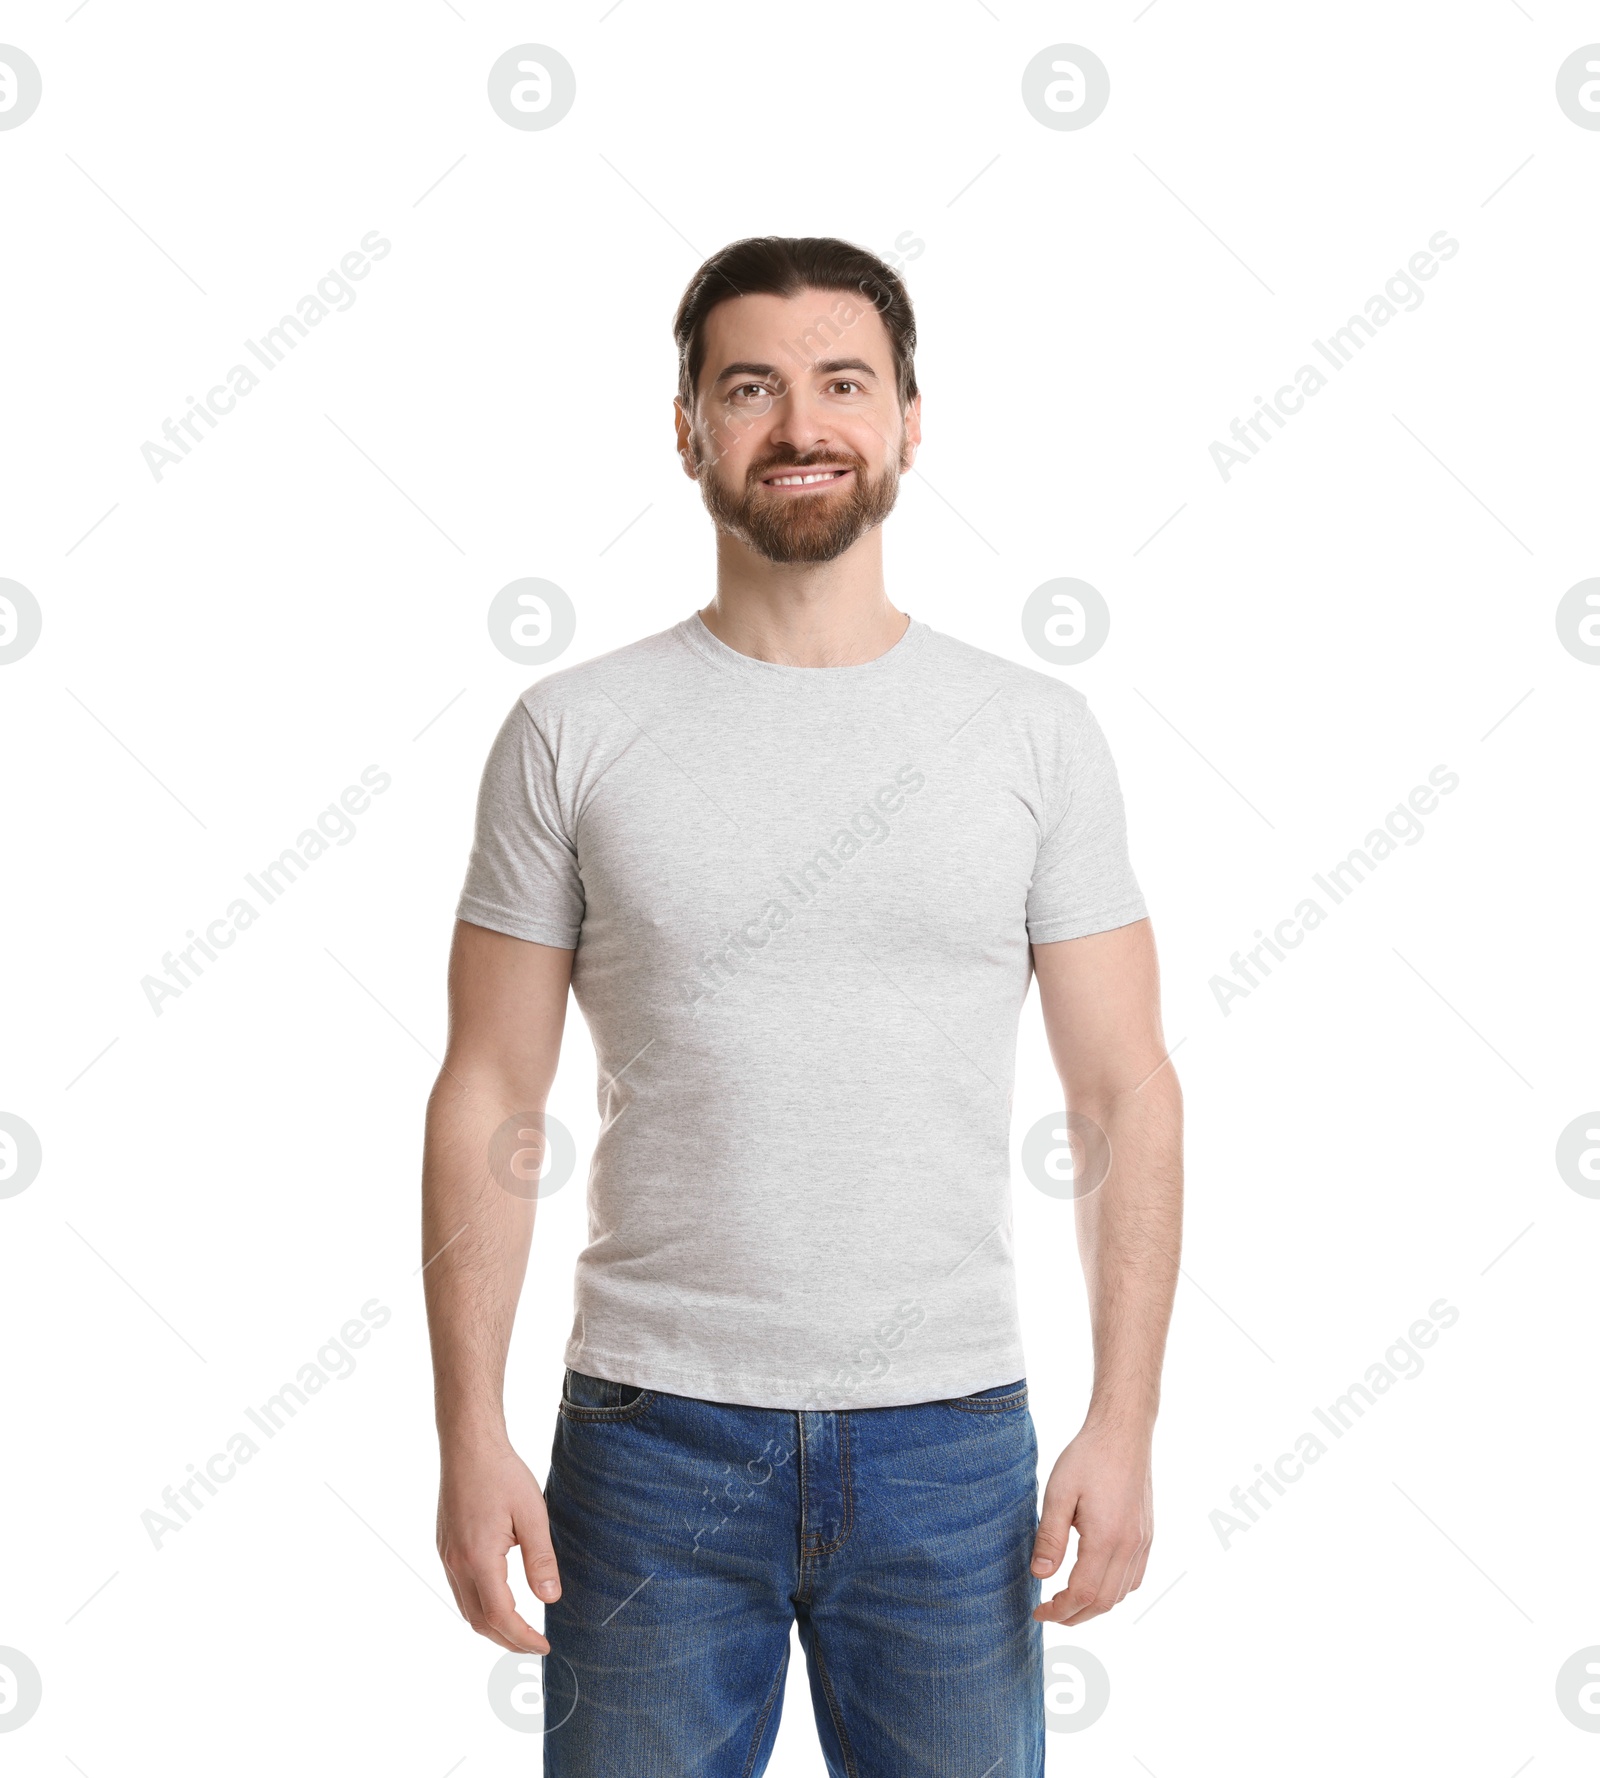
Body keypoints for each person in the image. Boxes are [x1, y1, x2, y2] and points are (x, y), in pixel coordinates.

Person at [422, 235, 1183, 1774]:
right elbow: (491, 1093)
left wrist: (1125, 1419)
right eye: (751, 385)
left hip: (954, 1442)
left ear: (911, 420)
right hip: (648, 1438)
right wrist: (466, 1428)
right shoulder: (571, 730)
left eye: (844, 382)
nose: (801, 424)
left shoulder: (1032, 734)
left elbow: (1124, 1095)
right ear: (689, 428)